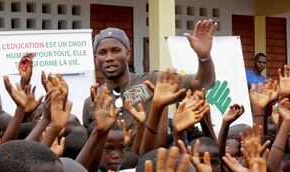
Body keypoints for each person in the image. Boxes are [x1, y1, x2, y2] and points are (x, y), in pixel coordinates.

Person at [83, 20, 217, 130]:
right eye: (102, 53)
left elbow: (203, 83)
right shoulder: (91, 102)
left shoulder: (154, 82)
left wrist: (204, 57)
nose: (109, 58)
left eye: (116, 51)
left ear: (128, 54)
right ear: (96, 59)